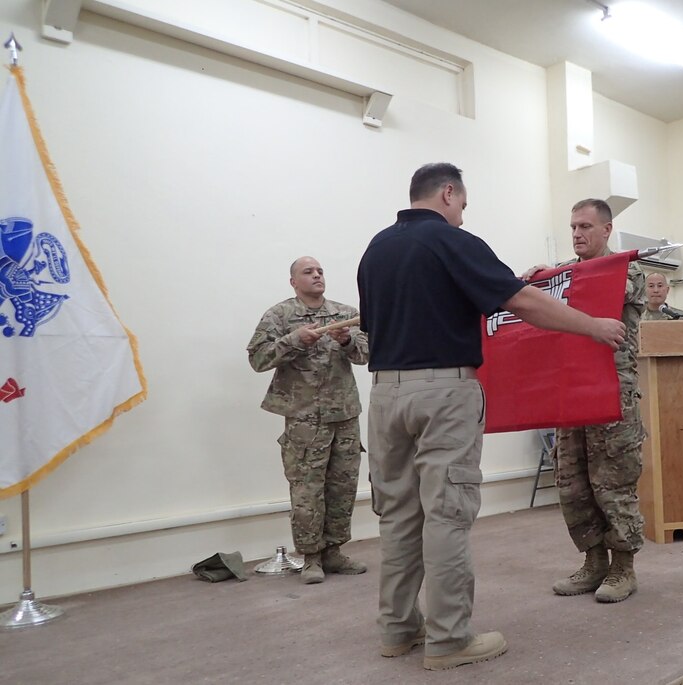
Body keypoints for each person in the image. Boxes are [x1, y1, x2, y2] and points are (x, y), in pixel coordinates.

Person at [357, 164, 626, 671]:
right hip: (442, 393)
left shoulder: (376, 250)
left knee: (397, 516)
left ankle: (397, 629)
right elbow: (522, 302)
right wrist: (592, 326)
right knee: (447, 515)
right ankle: (449, 639)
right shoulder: (453, 241)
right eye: (461, 203)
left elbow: (378, 325)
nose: (462, 213)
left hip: (385, 396)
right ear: (448, 192)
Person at [523, 199, 646, 604]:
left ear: (607, 230)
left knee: (613, 481)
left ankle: (623, 567)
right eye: (573, 227)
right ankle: (594, 562)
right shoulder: (563, 275)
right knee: (573, 482)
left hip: (611, 391)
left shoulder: (627, 270)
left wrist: (554, 281)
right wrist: (534, 285)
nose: (577, 234)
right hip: (571, 390)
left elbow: (596, 294)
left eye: (585, 227)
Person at [247, 256, 369, 584]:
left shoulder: (344, 314)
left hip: (344, 415)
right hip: (304, 419)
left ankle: (334, 552)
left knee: (342, 487)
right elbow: (258, 358)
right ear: (293, 282)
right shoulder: (280, 315)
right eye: (308, 272)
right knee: (306, 490)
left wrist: (346, 341)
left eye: (320, 271)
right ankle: (310, 556)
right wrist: (294, 340)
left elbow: (369, 353)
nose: (316, 276)